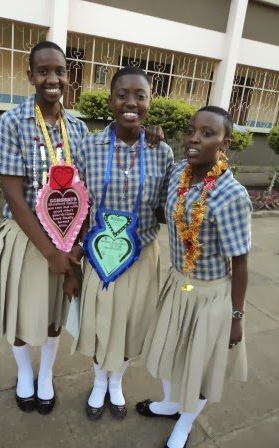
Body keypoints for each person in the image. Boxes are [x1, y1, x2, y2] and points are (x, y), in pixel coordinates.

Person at [136, 106, 252, 448]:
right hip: (177, 283)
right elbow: (161, 211)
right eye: (191, 131)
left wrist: (236, 316)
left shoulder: (232, 196)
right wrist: (151, 140)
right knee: (172, 353)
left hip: (211, 296)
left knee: (199, 366)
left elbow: (241, 264)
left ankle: (185, 424)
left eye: (207, 134)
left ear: (224, 143)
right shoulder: (177, 174)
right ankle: (171, 404)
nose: (194, 139)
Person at [0, 40, 88, 415]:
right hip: (26, 238)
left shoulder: (76, 127)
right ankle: (24, 373)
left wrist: (73, 251)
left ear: (67, 75)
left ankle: (46, 375)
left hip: (67, 240)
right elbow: (14, 196)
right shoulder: (12, 121)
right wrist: (50, 253)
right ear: (30, 76)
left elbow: (86, 190)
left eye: (59, 70)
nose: (52, 78)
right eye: (42, 71)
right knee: (19, 314)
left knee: (53, 315)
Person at [72, 66, 174, 420]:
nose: (131, 102)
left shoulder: (162, 152)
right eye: (122, 95)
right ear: (111, 100)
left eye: (140, 96)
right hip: (100, 256)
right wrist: (73, 252)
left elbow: (166, 208)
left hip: (143, 253)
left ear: (149, 102)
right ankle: (99, 382)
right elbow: (80, 204)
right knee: (101, 323)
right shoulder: (89, 147)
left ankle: (118, 382)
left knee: (132, 323)